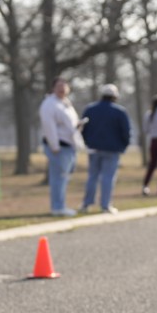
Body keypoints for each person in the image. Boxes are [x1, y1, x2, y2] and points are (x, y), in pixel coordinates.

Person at [79, 83, 131, 214]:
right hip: (112, 150)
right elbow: (126, 132)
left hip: (93, 149)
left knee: (92, 177)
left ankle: (86, 204)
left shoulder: (90, 109)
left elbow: (83, 129)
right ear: (115, 97)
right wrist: (123, 146)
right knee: (108, 178)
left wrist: (87, 142)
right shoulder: (119, 111)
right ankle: (105, 205)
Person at [39, 76, 82, 216]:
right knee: (59, 178)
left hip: (69, 145)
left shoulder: (66, 103)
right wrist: (54, 146)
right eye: (59, 86)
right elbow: (49, 126)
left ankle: (61, 205)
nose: (62, 89)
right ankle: (58, 207)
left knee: (64, 178)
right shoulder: (49, 104)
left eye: (64, 86)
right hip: (59, 147)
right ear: (53, 88)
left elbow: (70, 124)